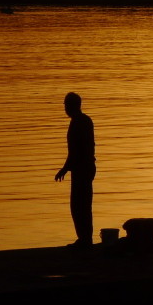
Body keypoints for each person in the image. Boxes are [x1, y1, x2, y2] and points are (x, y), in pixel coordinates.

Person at [55, 92, 96, 248]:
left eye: (67, 104)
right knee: (81, 205)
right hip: (84, 167)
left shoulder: (80, 122)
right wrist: (67, 168)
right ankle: (84, 238)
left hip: (83, 169)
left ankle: (85, 240)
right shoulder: (82, 121)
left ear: (74, 105)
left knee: (80, 206)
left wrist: (65, 169)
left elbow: (76, 151)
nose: (65, 108)